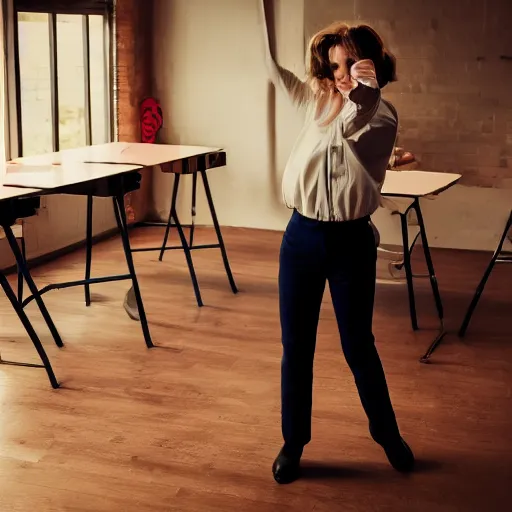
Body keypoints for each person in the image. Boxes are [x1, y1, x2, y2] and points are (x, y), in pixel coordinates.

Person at [260, 0, 415, 484]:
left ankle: (387, 435)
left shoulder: (381, 116)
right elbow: (272, 69)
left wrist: (364, 88)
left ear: (370, 63)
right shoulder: (315, 102)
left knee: (358, 345)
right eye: (333, 65)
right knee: (296, 346)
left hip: (350, 242)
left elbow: (354, 123)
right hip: (300, 238)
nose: (340, 74)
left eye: (350, 63)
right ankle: (293, 442)